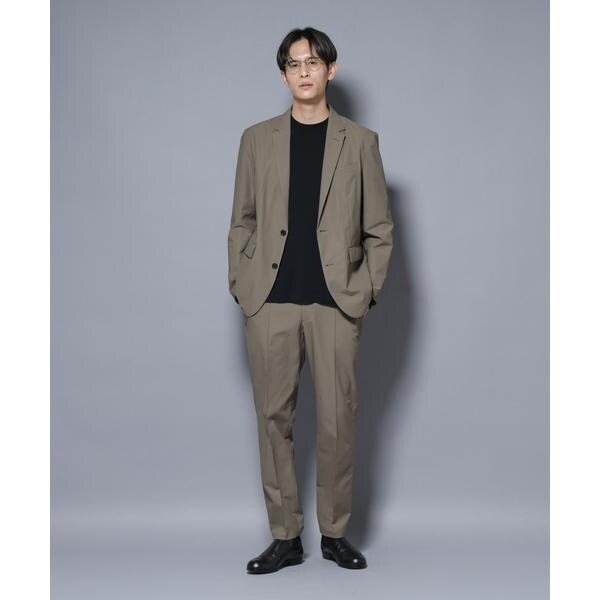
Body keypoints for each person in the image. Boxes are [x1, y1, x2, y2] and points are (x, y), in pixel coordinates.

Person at [227, 26, 393, 574]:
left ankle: (336, 534)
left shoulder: (360, 141)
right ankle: (285, 537)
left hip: (335, 303)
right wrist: (242, 283)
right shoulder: (256, 139)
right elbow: (242, 220)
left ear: (330, 70)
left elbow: (379, 228)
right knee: (272, 418)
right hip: (269, 301)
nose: (304, 71)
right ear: (284, 75)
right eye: (295, 63)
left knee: (337, 422)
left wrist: (365, 290)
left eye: (313, 62)